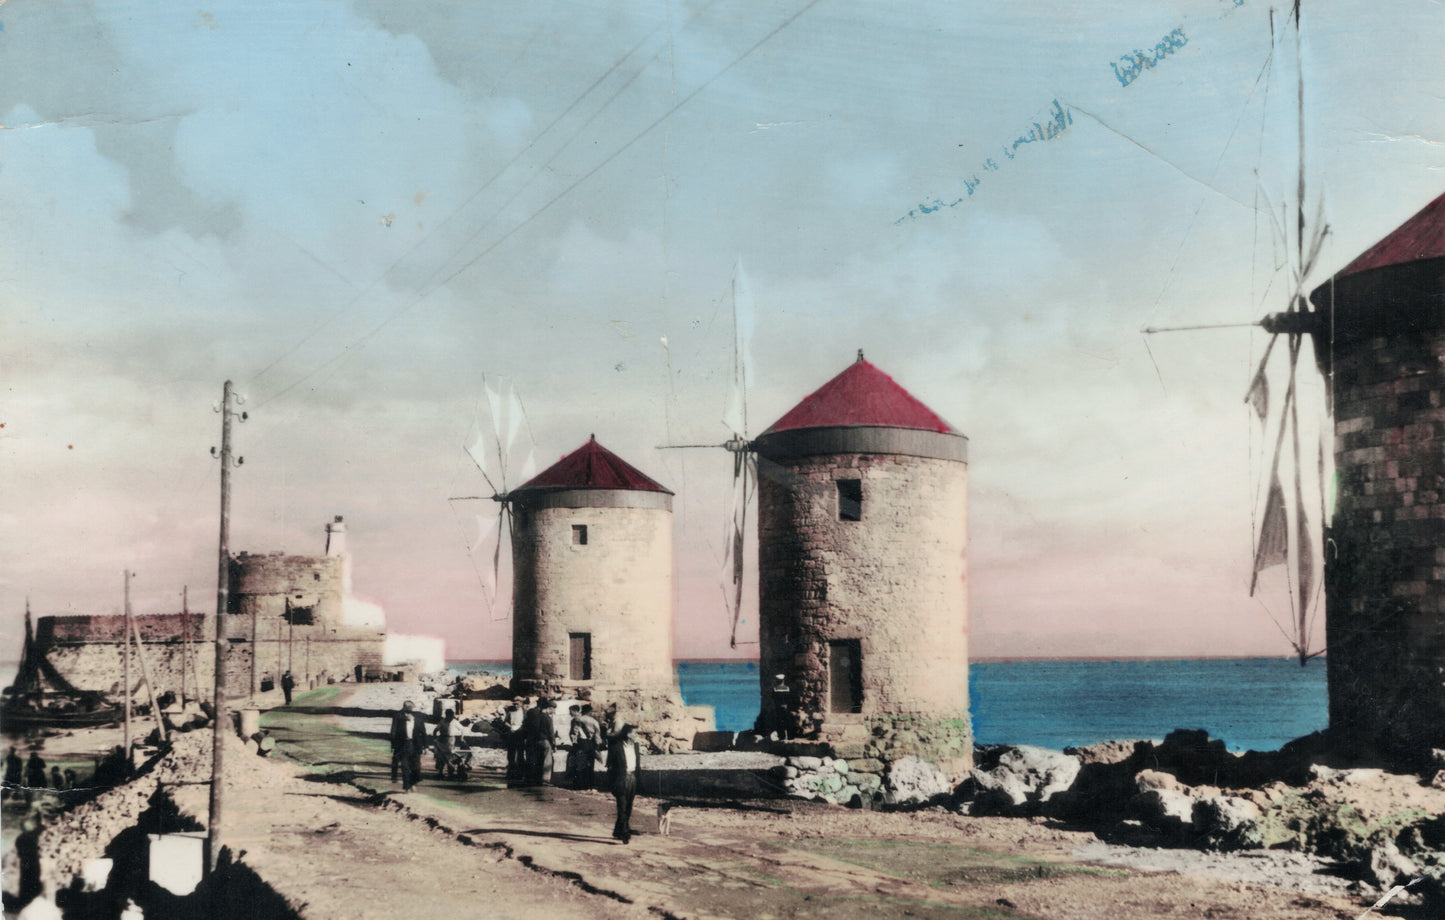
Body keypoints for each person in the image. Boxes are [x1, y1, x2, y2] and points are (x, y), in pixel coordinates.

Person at [607, 724, 642, 844]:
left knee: (628, 806)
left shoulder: (636, 746)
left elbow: (637, 763)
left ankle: (618, 830)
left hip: (632, 778)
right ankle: (624, 832)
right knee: (622, 806)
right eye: (634, 733)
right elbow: (610, 766)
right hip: (621, 779)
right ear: (627, 734)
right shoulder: (616, 746)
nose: (636, 735)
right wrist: (612, 783)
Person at [388, 700, 428, 791]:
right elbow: (393, 731)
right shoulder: (398, 717)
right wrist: (393, 744)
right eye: (407, 710)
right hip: (403, 745)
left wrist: (425, 746)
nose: (408, 712)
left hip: (415, 745)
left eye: (411, 710)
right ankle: (407, 786)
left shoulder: (418, 717)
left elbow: (423, 732)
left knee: (416, 767)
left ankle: (413, 782)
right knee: (405, 766)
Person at [570, 704, 602, 789]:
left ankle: (580, 784)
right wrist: (597, 745)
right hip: (590, 743)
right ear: (590, 711)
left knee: (580, 764)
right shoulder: (593, 721)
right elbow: (597, 734)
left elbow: (573, 733)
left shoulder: (575, 720)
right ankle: (589, 784)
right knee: (590, 764)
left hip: (580, 743)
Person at [524, 699, 556, 785]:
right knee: (546, 761)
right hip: (545, 741)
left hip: (534, 740)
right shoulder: (547, 717)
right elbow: (551, 732)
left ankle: (533, 778)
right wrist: (553, 744)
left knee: (535, 759)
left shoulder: (533, 716)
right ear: (547, 707)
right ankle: (545, 780)